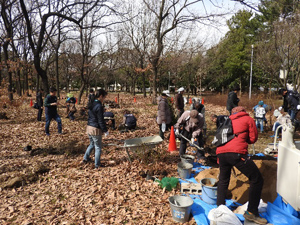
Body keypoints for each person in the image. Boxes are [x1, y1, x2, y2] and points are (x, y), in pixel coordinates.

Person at [216, 106, 267, 224]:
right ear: (244, 112)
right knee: (256, 179)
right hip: (236, 154)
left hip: (221, 154)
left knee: (223, 180)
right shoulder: (248, 119)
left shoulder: (227, 120)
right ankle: (251, 213)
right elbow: (253, 138)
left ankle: (220, 208)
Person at [83, 89, 109, 169]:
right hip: (95, 129)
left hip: (89, 127)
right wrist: (105, 130)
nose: (104, 98)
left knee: (92, 144)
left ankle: (85, 158)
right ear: (101, 96)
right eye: (104, 97)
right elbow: (100, 120)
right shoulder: (99, 106)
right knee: (98, 147)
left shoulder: (92, 103)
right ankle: (97, 165)